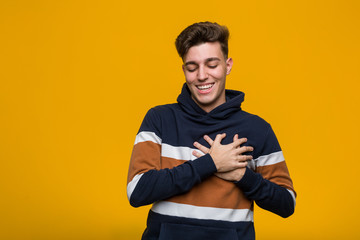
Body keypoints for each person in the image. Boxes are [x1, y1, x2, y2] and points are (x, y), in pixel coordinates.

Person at [127, 21, 296, 240]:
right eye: (192, 67)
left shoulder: (257, 129)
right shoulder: (159, 119)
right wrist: (210, 163)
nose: (202, 75)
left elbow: (286, 203)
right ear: (184, 70)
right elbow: (138, 191)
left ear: (228, 65)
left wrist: (243, 176)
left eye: (212, 64)